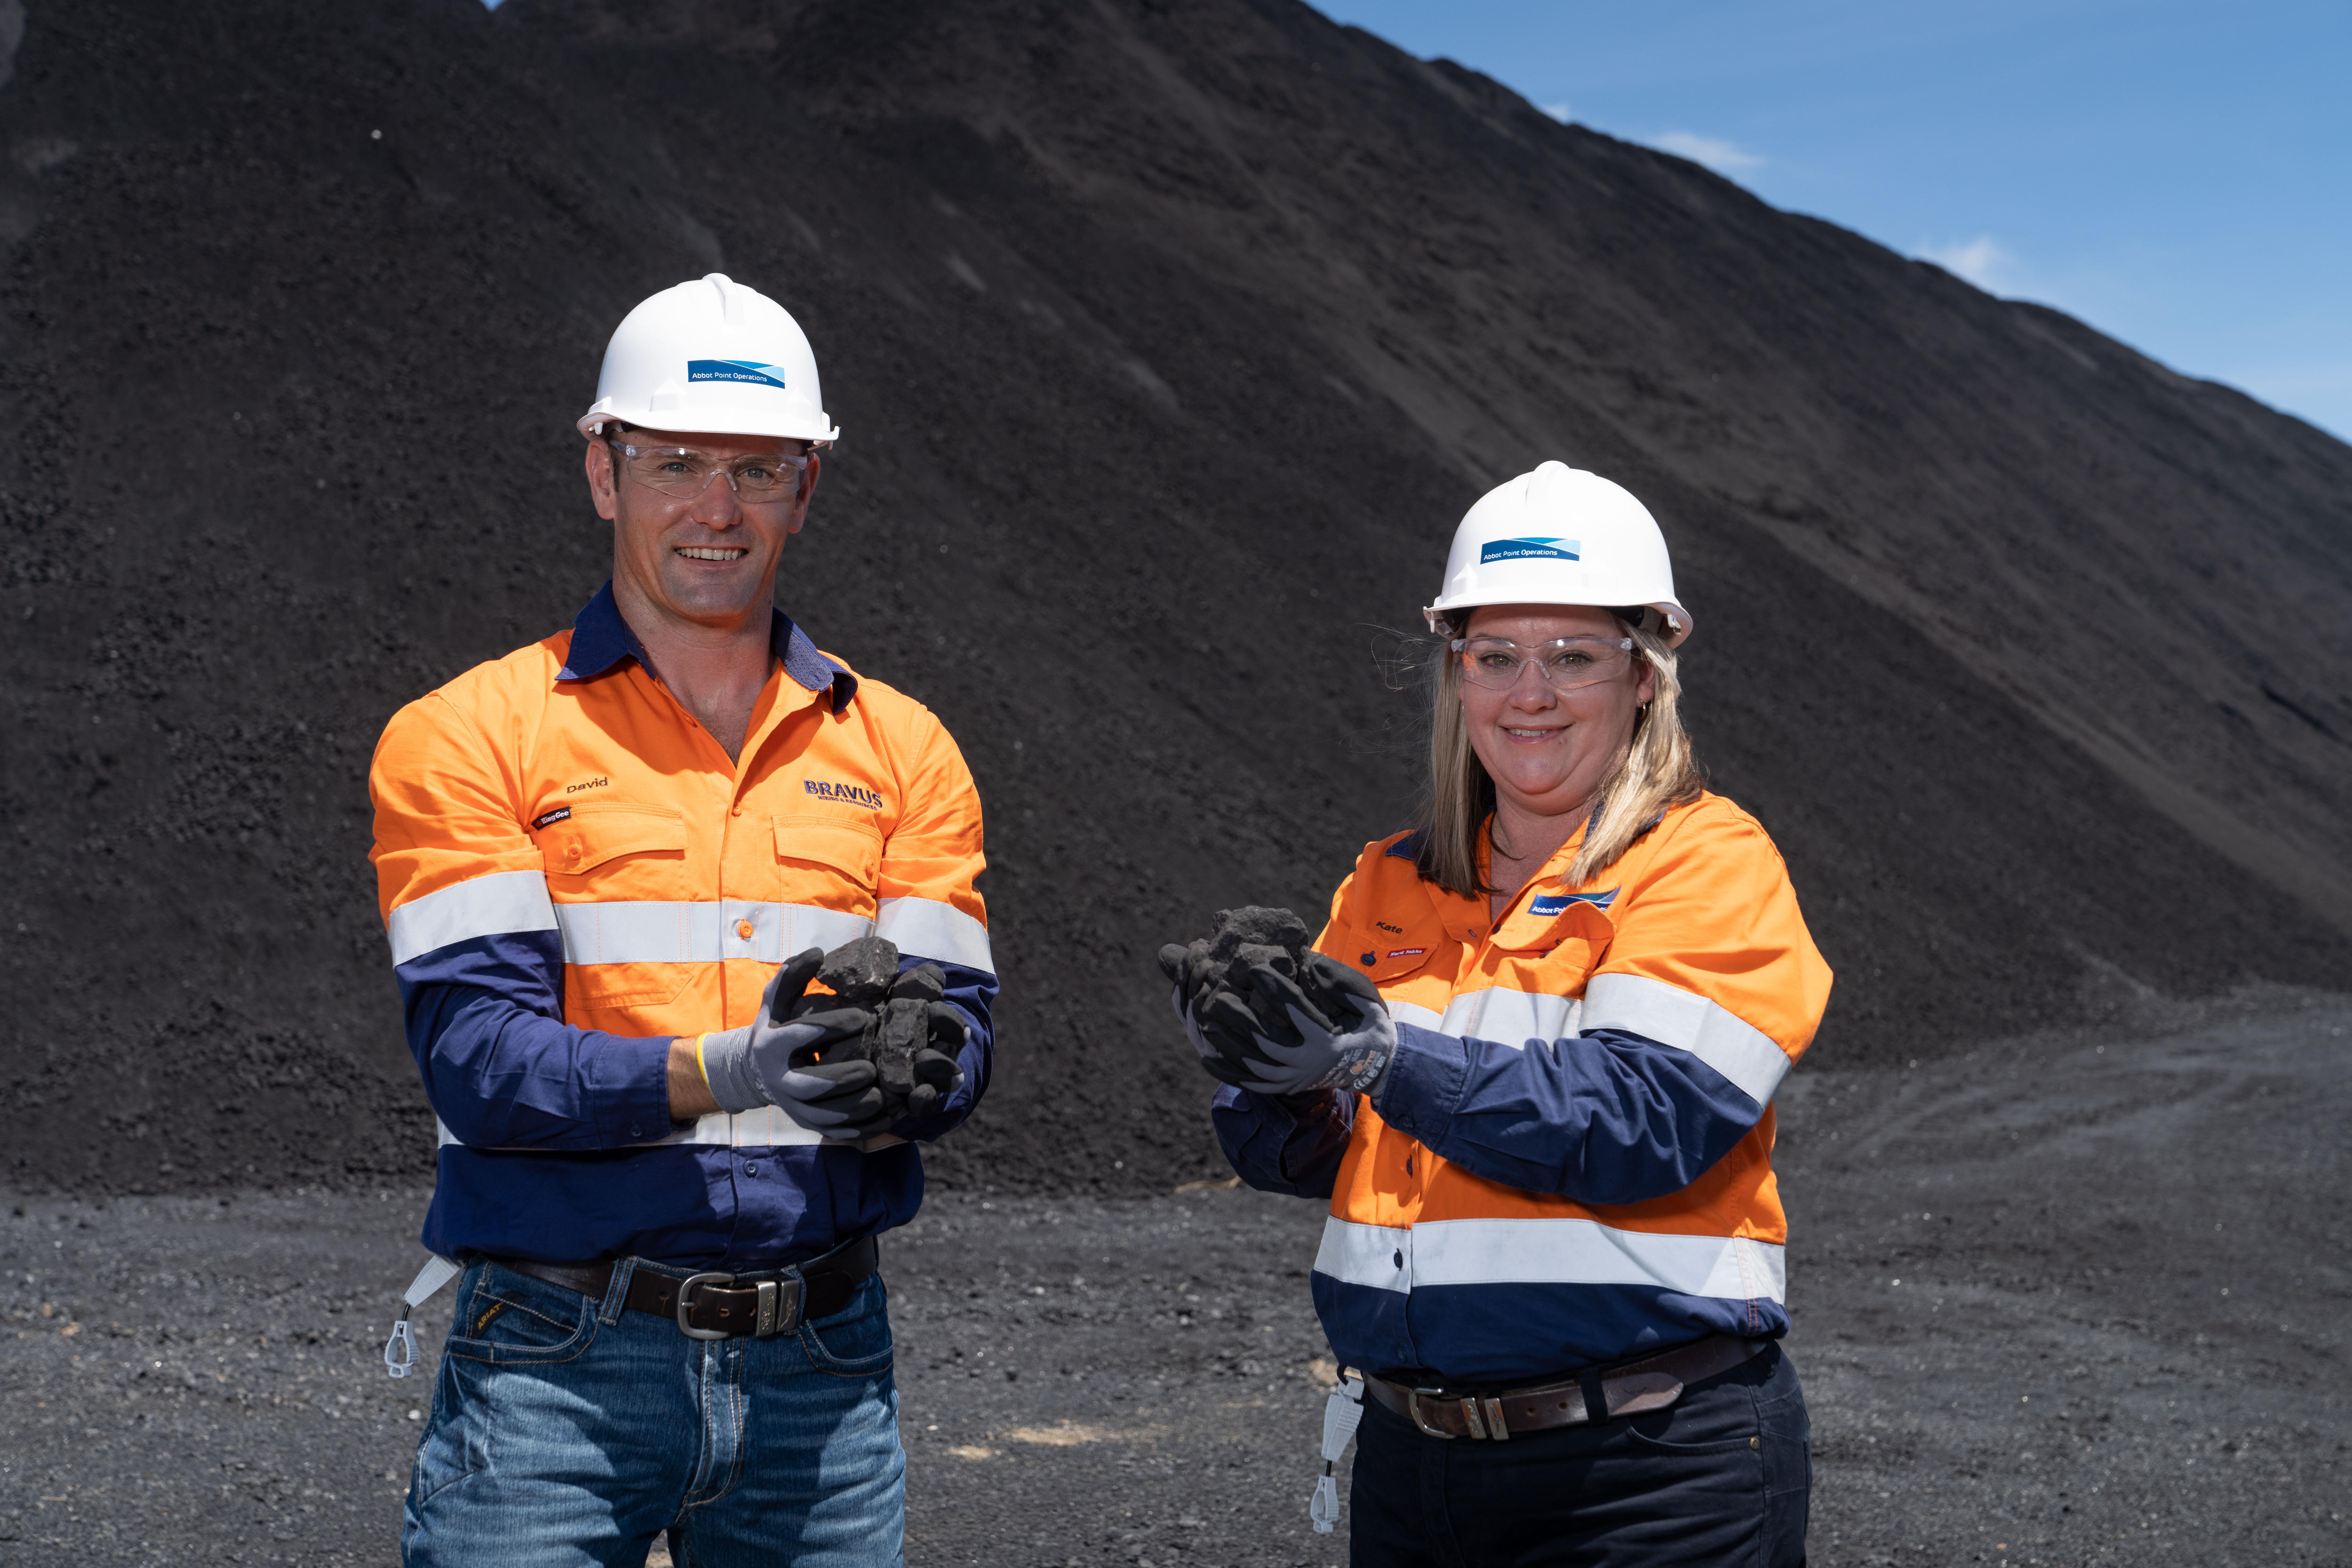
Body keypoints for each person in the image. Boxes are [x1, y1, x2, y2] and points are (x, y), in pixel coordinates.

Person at [369, 273, 994, 1568]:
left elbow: (962, 1039)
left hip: (823, 1364)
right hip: (555, 1370)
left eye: (759, 469)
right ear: (604, 472)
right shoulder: (472, 734)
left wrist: (912, 1076)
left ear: (806, 490)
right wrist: (726, 1069)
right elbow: (480, 1062)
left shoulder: (907, 750)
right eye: (676, 462)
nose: (717, 507)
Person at [1173, 461, 1831, 1566]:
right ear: (1455, 673)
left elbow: (1640, 1121)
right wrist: (1271, 1073)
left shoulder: (1707, 861)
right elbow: (1325, 1157)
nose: (1531, 692)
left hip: (1646, 1477)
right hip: (1413, 1464)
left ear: (1644, 675)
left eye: (1573, 656)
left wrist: (1382, 1054)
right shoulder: (1388, 877)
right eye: (1495, 656)